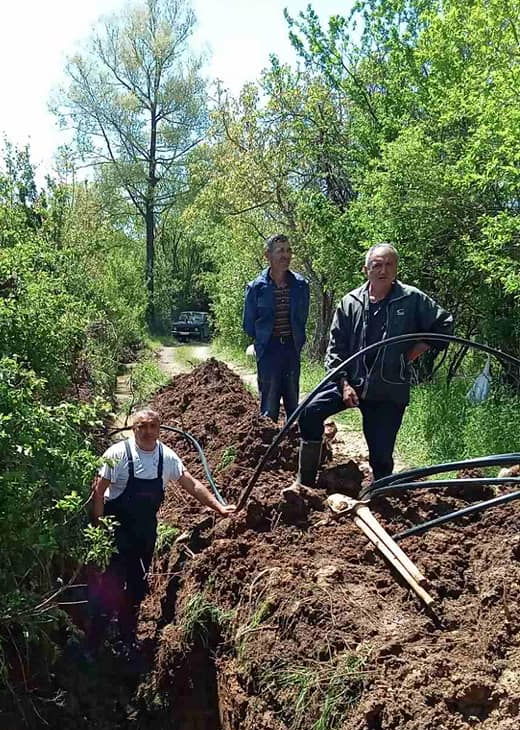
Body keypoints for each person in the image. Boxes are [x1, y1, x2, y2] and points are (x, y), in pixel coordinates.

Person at [297, 242, 454, 486]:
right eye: (377, 265)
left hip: (388, 388)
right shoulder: (350, 303)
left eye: (389, 265)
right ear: (366, 269)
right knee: (309, 412)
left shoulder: (411, 299)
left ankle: (380, 498)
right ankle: (305, 483)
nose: (383, 270)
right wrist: (343, 384)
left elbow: (444, 324)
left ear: (396, 270)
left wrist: (412, 353)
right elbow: (335, 349)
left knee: (381, 457)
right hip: (351, 382)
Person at [89, 409, 235, 645]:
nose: (147, 431)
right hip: (115, 530)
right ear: (133, 429)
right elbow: (98, 492)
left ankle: (128, 633)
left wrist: (218, 507)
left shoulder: (166, 458)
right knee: (111, 582)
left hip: (145, 532)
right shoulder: (118, 454)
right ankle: (97, 636)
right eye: (141, 427)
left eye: (152, 426)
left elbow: (191, 483)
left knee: (137, 582)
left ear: (159, 429)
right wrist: (98, 529)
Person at [243, 234, 310, 422]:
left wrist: (296, 343)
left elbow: (301, 318)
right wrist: (263, 342)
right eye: (280, 251)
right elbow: (248, 324)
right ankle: (268, 447)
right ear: (268, 255)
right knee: (269, 406)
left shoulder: (300, 286)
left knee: (292, 402)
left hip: (291, 348)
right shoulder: (256, 287)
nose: (286, 255)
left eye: (289, 250)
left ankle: (292, 445)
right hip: (268, 350)